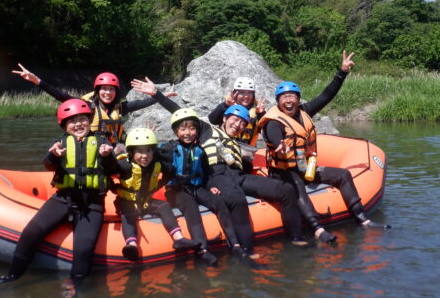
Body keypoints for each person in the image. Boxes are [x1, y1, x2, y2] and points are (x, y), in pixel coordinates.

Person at [131, 78, 309, 256]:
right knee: (237, 199)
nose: (237, 125)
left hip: (238, 176)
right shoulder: (208, 131)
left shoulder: (240, 144)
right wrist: (157, 94)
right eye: (234, 120)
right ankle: (246, 250)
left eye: (242, 123)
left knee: (286, 190)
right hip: (215, 174)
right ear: (225, 118)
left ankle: (296, 237)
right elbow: (182, 114)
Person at [0, 99, 119, 286]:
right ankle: (12, 276)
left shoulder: (102, 141)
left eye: (82, 118)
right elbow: (48, 164)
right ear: (64, 125)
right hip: (63, 199)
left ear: (89, 119)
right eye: (72, 121)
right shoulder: (59, 144)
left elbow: (113, 170)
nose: (78, 124)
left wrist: (107, 156)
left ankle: (78, 287)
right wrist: (53, 155)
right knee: (30, 234)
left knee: (84, 250)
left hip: (91, 205)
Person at [258, 50, 390, 238]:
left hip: (304, 167)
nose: (289, 100)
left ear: (298, 99)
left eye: (292, 96)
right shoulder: (273, 121)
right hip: (282, 172)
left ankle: (362, 219)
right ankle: (318, 230)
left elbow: (326, 95)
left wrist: (342, 72)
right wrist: (280, 143)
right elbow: (273, 135)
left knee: (343, 174)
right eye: (284, 97)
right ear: (278, 101)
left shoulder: (304, 111)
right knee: (297, 187)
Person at [158, 108, 247, 265]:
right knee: (191, 207)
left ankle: (236, 245)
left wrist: (209, 187)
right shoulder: (168, 149)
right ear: (175, 131)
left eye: (192, 128)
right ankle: (203, 250)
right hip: (176, 190)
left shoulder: (200, 150)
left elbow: (205, 173)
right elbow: (151, 157)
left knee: (219, 202)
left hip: (196, 188)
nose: (188, 132)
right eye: (183, 129)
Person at [12, 64, 162, 149]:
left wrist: (161, 96)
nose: (107, 93)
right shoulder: (87, 105)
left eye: (111, 89)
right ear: (97, 91)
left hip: (114, 149)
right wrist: (38, 81)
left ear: (116, 92)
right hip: (93, 148)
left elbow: (141, 103)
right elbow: (61, 96)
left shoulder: (120, 107)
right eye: (104, 89)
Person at [115, 127, 201, 262]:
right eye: (140, 151)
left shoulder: (157, 164)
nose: (145, 155)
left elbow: (171, 171)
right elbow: (107, 170)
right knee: (128, 212)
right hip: (128, 201)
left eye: (148, 150)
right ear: (131, 152)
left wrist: (159, 185)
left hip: (146, 200)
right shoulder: (124, 165)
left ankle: (179, 238)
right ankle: (131, 244)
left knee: (164, 206)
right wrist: (112, 186)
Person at [208, 76, 266, 146]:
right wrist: (225, 105)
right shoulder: (228, 104)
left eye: (249, 93)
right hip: (225, 146)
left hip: (247, 151)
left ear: (253, 94)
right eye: (242, 92)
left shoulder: (258, 109)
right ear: (235, 93)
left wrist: (261, 114)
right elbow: (213, 120)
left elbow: (265, 131)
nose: (246, 96)